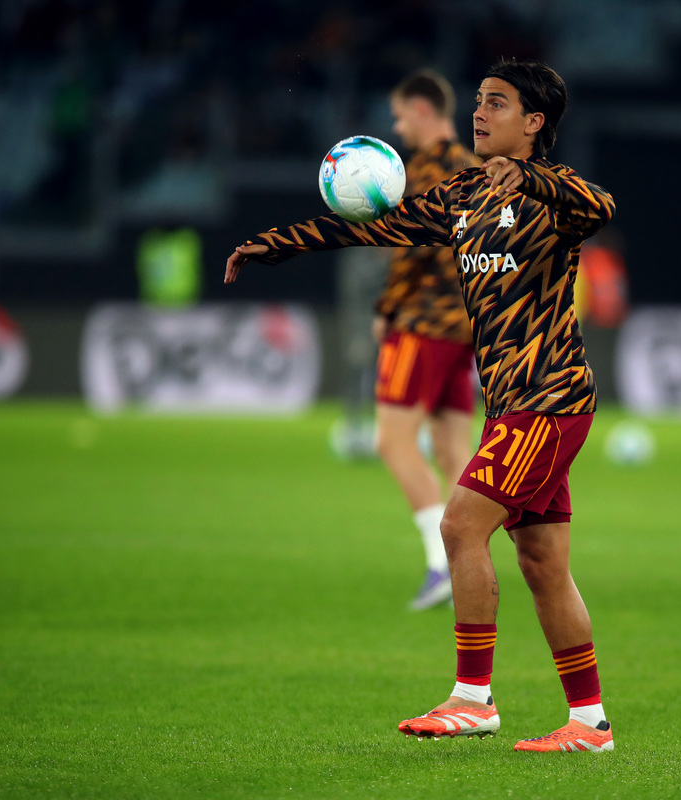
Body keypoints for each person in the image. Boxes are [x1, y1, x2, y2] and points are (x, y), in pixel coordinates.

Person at [226, 58, 617, 753]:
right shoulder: (462, 194)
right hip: (512, 405)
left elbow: (601, 204)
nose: (479, 112)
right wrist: (275, 246)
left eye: (496, 104)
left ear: (533, 123)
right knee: (542, 563)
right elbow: (376, 226)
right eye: (478, 101)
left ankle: (473, 699)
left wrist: (527, 177)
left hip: (547, 398)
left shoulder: (554, 200)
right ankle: (589, 724)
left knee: (462, 527)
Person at [374, 69, 481, 611]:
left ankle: (441, 566)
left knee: (393, 442)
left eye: (399, 115)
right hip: (466, 327)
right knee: (452, 448)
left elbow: (411, 245)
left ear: (421, 110)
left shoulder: (423, 168)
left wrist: (387, 307)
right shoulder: (476, 168)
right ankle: (474, 559)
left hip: (423, 322)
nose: (397, 127)